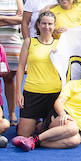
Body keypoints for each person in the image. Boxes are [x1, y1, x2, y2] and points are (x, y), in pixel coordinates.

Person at [11, 10, 62, 150]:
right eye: (43, 23)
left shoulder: (60, 43)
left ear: (54, 25)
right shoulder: (29, 41)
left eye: (50, 24)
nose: (47, 26)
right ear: (38, 25)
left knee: (51, 131)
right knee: (23, 135)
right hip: (32, 92)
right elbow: (21, 67)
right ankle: (31, 125)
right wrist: (18, 93)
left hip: (54, 94)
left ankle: (41, 126)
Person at [33, 58, 81, 149]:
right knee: (72, 128)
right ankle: (33, 139)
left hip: (77, 125)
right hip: (64, 115)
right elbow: (58, 102)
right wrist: (62, 114)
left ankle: (39, 143)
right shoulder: (72, 84)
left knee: (75, 141)